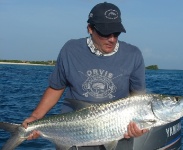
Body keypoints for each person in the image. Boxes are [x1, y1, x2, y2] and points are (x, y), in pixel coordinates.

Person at [22, 2, 148, 150]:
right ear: (90, 29)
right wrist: (36, 117)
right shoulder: (70, 50)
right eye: (105, 33)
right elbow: (56, 87)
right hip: (74, 133)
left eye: (116, 33)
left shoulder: (133, 55)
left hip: (118, 133)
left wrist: (141, 126)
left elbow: (139, 100)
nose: (112, 39)